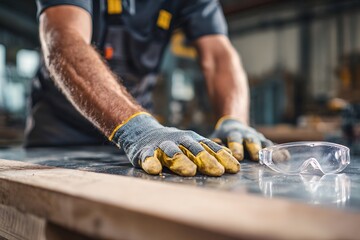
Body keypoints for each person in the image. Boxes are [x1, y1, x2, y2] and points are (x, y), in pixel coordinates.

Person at [26, 0, 271, 177]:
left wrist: (235, 121)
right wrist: (135, 128)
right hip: (61, 139)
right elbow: (64, 40)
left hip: (148, 142)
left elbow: (218, 56)